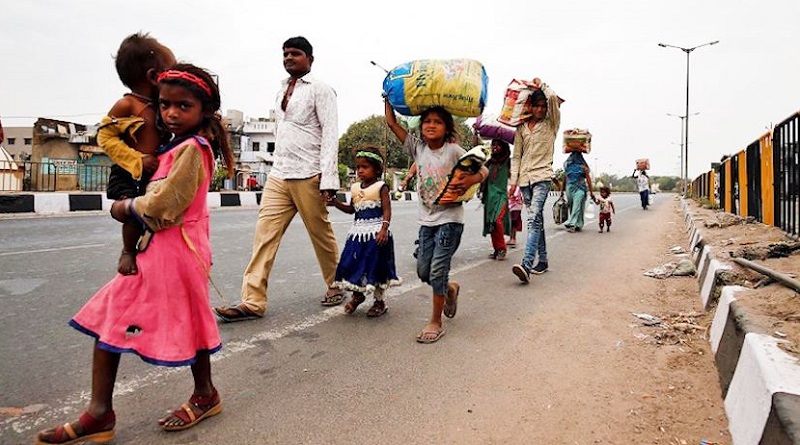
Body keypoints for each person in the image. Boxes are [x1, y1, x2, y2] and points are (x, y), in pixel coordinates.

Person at [35, 63, 234, 445]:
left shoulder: (193, 149)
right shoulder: (173, 147)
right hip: (164, 251)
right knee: (132, 316)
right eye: (165, 105)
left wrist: (124, 208)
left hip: (179, 252)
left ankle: (110, 412)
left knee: (147, 318)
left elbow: (164, 206)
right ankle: (107, 411)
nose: (171, 113)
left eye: (183, 106)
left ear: (204, 111)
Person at [214, 36, 343, 322]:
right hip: (279, 173)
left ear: (310, 58)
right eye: (285, 54)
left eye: (295, 54)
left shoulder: (321, 90)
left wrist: (328, 180)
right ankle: (252, 301)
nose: (288, 58)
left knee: (320, 235)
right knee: (264, 236)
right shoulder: (281, 88)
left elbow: (330, 133)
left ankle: (338, 284)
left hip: (309, 173)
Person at [385, 98, 488, 343]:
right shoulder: (418, 149)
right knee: (423, 271)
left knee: (438, 269)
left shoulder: (453, 151)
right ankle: (450, 289)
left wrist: (473, 180)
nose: (431, 125)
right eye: (427, 121)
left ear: (447, 128)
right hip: (426, 221)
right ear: (421, 127)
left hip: (450, 219)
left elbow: (483, 168)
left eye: (438, 122)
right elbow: (391, 123)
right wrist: (388, 100)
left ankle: (435, 321)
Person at [97, 32, 176, 276]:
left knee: (153, 214)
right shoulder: (127, 105)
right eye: (171, 72)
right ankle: (128, 251)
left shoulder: (163, 106)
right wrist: (136, 159)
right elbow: (104, 136)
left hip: (154, 173)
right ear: (154, 77)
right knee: (133, 211)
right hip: (129, 171)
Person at [327, 146, 401, 317]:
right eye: (358, 167)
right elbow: (351, 210)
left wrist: (384, 229)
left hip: (376, 234)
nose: (360, 170)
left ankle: (379, 302)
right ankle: (358, 295)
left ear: (376, 169)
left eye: (365, 167)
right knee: (351, 264)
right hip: (357, 234)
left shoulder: (381, 187)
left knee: (375, 267)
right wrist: (335, 203)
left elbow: (387, 211)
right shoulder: (354, 188)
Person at [509, 78, 561, 284]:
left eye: (543, 106)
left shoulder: (551, 124)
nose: (540, 109)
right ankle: (544, 261)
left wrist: (543, 85)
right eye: (537, 106)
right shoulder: (521, 128)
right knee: (536, 220)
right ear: (530, 106)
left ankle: (527, 265)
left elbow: (554, 99)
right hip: (525, 180)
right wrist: (514, 181)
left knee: (532, 219)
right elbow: (517, 156)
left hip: (542, 177)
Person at [480, 138, 512, 260]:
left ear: (504, 147)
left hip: (501, 196)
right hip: (489, 197)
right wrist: (475, 134)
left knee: (497, 221)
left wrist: (514, 189)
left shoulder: (507, 162)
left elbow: (514, 175)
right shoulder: (488, 163)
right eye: (493, 145)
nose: (495, 147)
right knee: (491, 223)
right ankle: (497, 249)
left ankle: (502, 248)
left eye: (498, 145)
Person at [562, 151, 595, 232]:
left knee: (576, 206)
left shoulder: (584, 167)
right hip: (569, 188)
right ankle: (578, 224)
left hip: (580, 189)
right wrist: (561, 191)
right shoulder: (568, 166)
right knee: (573, 206)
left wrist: (591, 192)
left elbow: (588, 179)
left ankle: (572, 224)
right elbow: (565, 178)